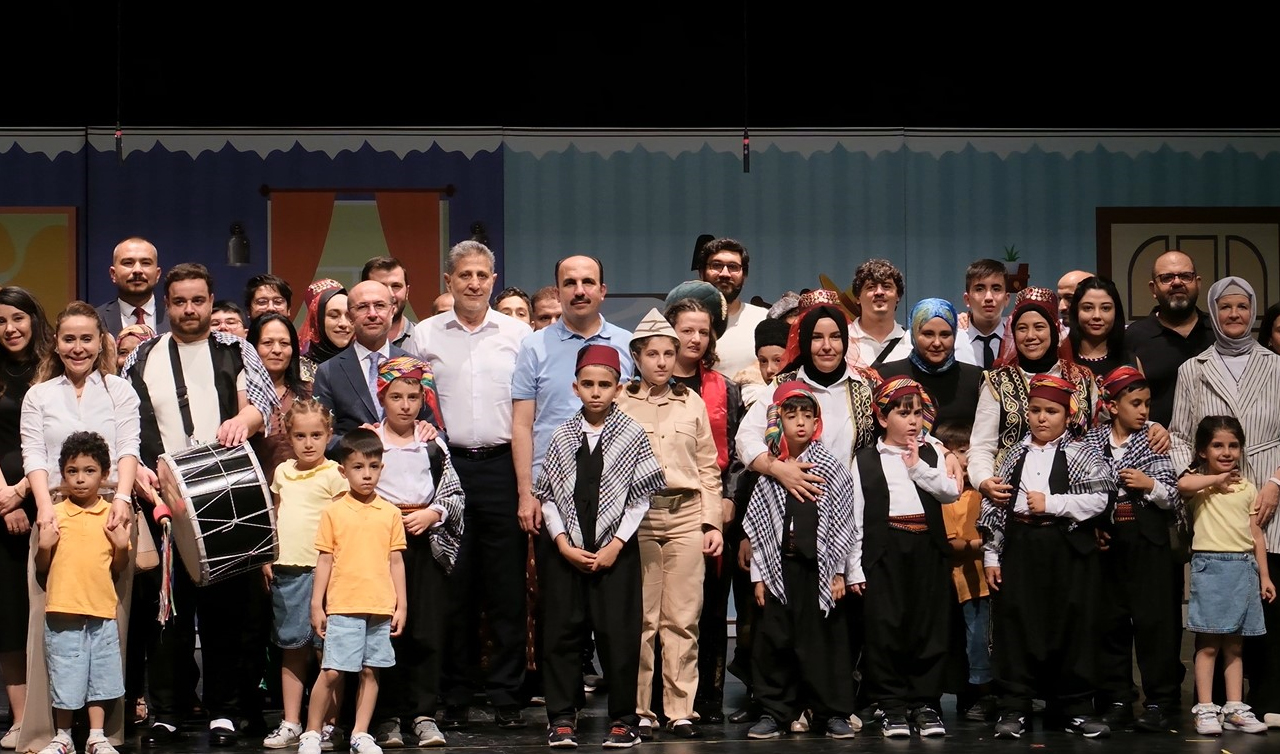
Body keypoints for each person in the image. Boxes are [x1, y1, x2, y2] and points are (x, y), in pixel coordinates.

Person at [121, 262, 278, 747]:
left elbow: (262, 403)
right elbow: (124, 419)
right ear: (166, 305)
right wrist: (137, 467)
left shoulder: (235, 349)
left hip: (224, 496)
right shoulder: (143, 354)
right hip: (163, 497)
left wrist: (245, 421)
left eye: (198, 300)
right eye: (180, 301)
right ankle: (166, 711)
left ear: (211, 302)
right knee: (166, 611)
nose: (189, 309)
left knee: (226, 612)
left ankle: (224, 711)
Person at [405, 240, 533, 732]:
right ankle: (455, 693)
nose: (474, 283)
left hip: (503, 466)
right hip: (448, 467)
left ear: (493, 279)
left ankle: (506, 694)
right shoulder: (425, 334)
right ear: (449, 281)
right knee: (452, 588)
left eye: (482, 275)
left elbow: (530, 408)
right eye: (465, 275)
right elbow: (411, 400)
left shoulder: (518, 333)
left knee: (506, 589)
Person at [532, 344, 665, 748]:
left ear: (618, 388)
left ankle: (624, 719)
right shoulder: (562, 436)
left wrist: (616, 545)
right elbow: (549, 497)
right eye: (587, 384)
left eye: (604, 385)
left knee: (618, 635)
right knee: (562, 633)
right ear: (575, 387)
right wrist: (561, 543)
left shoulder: (631, 435)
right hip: (567, 551)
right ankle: (561, 716)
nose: (595, 392)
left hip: (615, 552)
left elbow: (639, 498)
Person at [978, 374, 1116, 739]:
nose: (1042, 418)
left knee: (1072, 624)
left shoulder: (1082, 453)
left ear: (1067, 416)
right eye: (1036, 410)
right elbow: (995, 506)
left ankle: (1074, 706)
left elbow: (1101, 498)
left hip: (1067, 547)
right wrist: (991, 556)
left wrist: (1053, 504)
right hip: (1021, 545)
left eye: (1051, 411)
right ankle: (1015, 706)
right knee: (1017, 624)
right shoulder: (1013, 454)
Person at [1168, 276, 1280, 725]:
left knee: (1264, 601)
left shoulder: (1276, 365)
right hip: (1213, 495)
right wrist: (1195, 479)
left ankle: (1266, 697)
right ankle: (1211, 702)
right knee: (1215, 619)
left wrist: (1275, 481)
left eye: (1242, 306)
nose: (1234, 314)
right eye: (1226, 307)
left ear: (1253, 312)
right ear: (1214, 313)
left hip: (1268, 485)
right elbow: (1179, 434)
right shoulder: (1193, 368)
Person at [616, 310, 724, 740]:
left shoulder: (690, 401)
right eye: (652, 354)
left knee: (682, 618)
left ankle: (680, 709)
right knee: (642, 619)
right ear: (637, 357)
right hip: (638, 517)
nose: (661, 362)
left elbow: (708, 467)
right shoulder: (620, 402)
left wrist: (711, 523)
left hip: (686, 515)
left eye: (668, 353)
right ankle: (641, 709)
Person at [741, 382, 858, 740]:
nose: (801, 423)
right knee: (775, 641)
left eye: (808, 415)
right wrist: (759, 577)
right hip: (781, 569)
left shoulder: (831, 467)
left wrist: (838, 572)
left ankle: (831, 712)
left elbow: (843, 523)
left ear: (817, 422)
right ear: (778, 422)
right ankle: (775, 711)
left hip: (819, 570)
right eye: (792, 416)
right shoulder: (772, 470)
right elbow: (761, 527)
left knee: (823, 641)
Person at [848, 378, 960, 738]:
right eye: (903, 413)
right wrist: (854, 568)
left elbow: (949, 493)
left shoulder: (930, 453)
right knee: (886, 628)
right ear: (883, 418)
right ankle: (891, 704)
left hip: (927, 547)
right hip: (885, 549)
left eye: (917, 413)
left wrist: (917, 467)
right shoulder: (865, 460)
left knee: (928, 626)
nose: (912, 421)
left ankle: (924, 703)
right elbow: (856, 516)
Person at [367, 356, 465, 748]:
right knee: (387, 630)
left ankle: (424, 714)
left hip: (425, 544)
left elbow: (454, 492)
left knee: (426, 629)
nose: (405, 405)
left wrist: (433, 513)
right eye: (396, 397)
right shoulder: (371, 442)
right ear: (382, 398)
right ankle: (388, 716)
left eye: (412, 397)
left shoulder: (432, 444)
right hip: (380, 547)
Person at [659, 286, 745, 724]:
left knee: (710, 608)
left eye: (703, 332)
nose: (695, 339)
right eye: (686, 330)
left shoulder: (724, 388)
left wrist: (728, 500)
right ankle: (660, 699)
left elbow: (738, 452)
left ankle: (707, 697)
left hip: (712, 511)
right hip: (660, 510)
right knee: (662, 609)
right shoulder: (645, 385)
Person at [1081, 366, 1183, 731]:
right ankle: (1117, 698)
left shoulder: (1152, 440)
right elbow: (1081, 487)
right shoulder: (1092, 442)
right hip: (1109, 541)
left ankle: (1160, 701)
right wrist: (1093, 525)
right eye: (1135, 403)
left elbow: (1171, 495)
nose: (1143, 411)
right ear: (1112, 405)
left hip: (1146, 539)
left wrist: (1148, 483)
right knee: (1110, 622)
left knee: (1154, 622)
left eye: (1147, 404)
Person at [297, 428, 408, 754]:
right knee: (332, 671)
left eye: (373, 467)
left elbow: (396, 561)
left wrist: (401, 605)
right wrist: (317, 604)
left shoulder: (390, 513)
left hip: (379, 606)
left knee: (371, 671)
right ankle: (312, 731)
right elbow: (325, 560)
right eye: (358, 467)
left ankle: (361, 732)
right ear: (343, 471)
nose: (367, 475)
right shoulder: (334, 512)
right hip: (344, 605)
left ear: (382, 468)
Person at [33, 432, 132, 754]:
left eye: (89, 471)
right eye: (72, 471)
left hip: (101, 609)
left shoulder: (112, 514)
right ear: (63, 474)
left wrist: (121, 547)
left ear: (104, 474)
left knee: (100, 675)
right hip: (63, 610)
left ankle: (96, 736)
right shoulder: (55, 514)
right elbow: (42, 567)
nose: (80, 479)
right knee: (66, 674)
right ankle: (63, 736)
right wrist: (44, 547)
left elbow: (118, 567)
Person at [261, 399, 348, 751]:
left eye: (316, 435)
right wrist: (268, 554)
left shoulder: (335, 474)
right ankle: (291, 721)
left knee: (329, 652)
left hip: (327, 573)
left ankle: (329, 724)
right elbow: (275, 514)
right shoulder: (283, 472)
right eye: (300, 436)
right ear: (288, 436)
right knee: (292, 647)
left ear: (329, 434)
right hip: (289, 571)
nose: (308, 443)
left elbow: (343, 524)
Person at [1179, 415, 1275, 735]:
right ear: (1202, 451)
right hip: (1211, 567)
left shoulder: (1246, 487)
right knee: (1208, 644)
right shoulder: (1201, 484)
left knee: (1235, 645)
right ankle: (1206, 708)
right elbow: (1182, 485)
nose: (1226, 452)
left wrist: (1264, 576)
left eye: (1233, 445)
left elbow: (1256, 534)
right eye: (1217, 445)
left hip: (1243, 567)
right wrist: (1214, 480)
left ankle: (1234, 707)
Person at [968, 287, 1100, 504]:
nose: (1030, 336)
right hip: (1012, 496)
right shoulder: (997, 381)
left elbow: (1099, 436)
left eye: (1039, 327)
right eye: (1022, 328)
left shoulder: (1082, 378)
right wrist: (984, 481)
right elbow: (982, 446)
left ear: (1054, 330)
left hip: (1075, 496)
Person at [0, 287, 52, 750]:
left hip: (52, 500)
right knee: (10, 616)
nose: (10, 328)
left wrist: (24, 495)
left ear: (34, 319)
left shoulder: (52, 367)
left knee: (55, 609)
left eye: (18, 317)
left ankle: (56, 713)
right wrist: (7, 498)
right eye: (1, 321)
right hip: (1, 507)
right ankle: (20, 719)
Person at [313, 281, 439, 451]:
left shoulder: (417, 367)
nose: (372, 314)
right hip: (352, 465)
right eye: (362, 307)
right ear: (350, 316)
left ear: (392, 311)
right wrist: (356, 442)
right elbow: (319, 437)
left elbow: (438, 431)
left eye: (380, 306)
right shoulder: (328, 371)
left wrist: (430, 433)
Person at [932, 420, 994, 723]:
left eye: (967, 451)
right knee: (957, 641)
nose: (964, 460)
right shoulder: (945, 497)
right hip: (952, 583)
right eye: (956, 452)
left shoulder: (982, 495)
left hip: (981, 582)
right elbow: (949, 542)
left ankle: (982, 695)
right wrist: (981, 543)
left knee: (980, 641)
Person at [1123, 250, 1213, 428]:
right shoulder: (1134, 336)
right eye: (1167, 278)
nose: (1177, 282)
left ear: (1198, 283)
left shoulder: (1218, 332)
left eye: (1185, 276)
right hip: (1155, 442)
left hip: (1216, 443)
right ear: (1153, 288)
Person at [877, 298, 985, 431]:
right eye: (928, 334)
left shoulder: (976, 379)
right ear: (914, 334)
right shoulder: (888, 376)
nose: (937, 343)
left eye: (945, 335)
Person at [249, 313, 313, 477]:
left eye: (284, 343)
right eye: (267, 343)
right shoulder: (242, 396)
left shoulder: (309, 392)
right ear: (252, 348)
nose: (277, 350)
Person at [696, 238, 768, 378]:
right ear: (701, 272)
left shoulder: (763, 320)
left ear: (744, 276)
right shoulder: (683, 323)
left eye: (733, 267)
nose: (725, 274)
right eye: (716, 265)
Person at [96, 237, 169, 335]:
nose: (137, 270)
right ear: (113, 274)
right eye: (128, 263)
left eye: (146, 263)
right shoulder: (95, 319)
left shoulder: (176, 316)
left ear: (157, 274)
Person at [847, 259, 912, 368]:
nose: (879, 292)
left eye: (886, 286)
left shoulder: (912, 343)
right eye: (871, 287)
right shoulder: (842, 340)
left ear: (898, 296)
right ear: (857, 297)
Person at [1066, 276, 1134, 379]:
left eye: (1105, 308)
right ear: (1076, 311)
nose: (1097, 316)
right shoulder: (1061, 358)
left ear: (1116, 312)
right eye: (1088, 308)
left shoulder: (1130, 360)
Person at [298, 280, 353, 384]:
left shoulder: (364, 364)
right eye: (334, 316)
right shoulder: (297, 370)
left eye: (350, 316)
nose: (344, 323)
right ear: (318, 320)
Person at [960, 259, 1010, 370]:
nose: (988, 297)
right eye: (979, 289)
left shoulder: (1016, 340)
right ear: (967, 299)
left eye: (996, 289)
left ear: (1006, 299)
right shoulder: (954, 341)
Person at [362, 257, 414, 347]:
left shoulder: (424, 339)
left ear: (407, 292)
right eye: (381, 286)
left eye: (396, 286)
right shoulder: (348, 339)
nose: (390, 294)